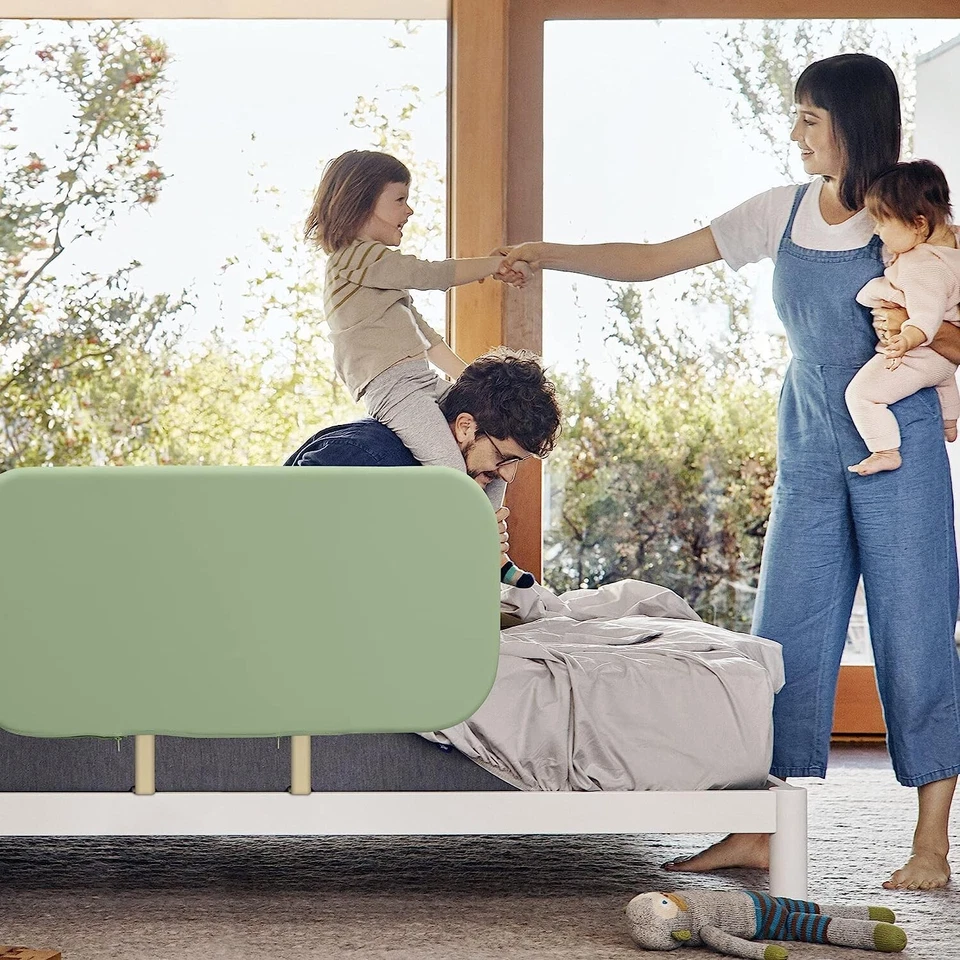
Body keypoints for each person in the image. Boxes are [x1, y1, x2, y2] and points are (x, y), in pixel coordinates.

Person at [499, 53, 960, 891]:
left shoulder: (911, 216)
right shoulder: (778, 212)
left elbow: (958, 327)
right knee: (784, 635)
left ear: (853, 122)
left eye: (809, 118)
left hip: (902, 446)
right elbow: (653, 257)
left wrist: (925, 340)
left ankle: (932, 844)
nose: (794, 133)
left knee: (917, 630)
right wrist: (549, 252)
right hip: (811, 447)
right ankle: (758, 830)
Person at [304, 149, 535, 587]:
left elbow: (429, 339)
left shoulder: (377, 278)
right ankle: (485, 556)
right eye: (399, 199)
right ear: (361, 201)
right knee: (452, 476)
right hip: (394, 387)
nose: (409, 210)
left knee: (502, 440)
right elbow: (430, 273)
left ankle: (495, 546)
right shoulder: (354, 259)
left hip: (421, 379)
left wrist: (481, 389)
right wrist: (495, 265)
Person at [284, 347, 563, 578]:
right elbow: (292, 563)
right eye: (502, 458)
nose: (508, 476)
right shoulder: (363, 459)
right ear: (465, 427)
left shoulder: (437, 486)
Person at [845, 159, 960, 476]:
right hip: (943, 363)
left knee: (861, 394)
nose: (876, 230)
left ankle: (884, 449)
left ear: (918, 224)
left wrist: (905, 338)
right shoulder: (950, 250)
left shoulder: (923, 264)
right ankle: (950, 423)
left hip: (923, 352)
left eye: (882, 222)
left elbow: (926, 315)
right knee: (943, 378)